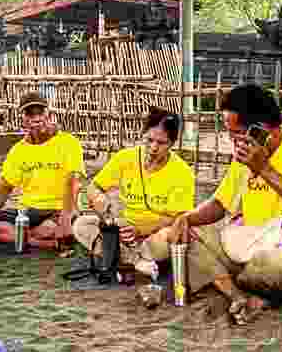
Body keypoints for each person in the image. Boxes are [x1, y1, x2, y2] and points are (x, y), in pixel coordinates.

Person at [157, 84, 282, 324]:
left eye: (236, 132)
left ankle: (234, 282)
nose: (232, 140)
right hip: (252, 246)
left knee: (265, 264)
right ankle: (239, 295)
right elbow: (219, 204)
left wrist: (265, 169)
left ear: (262, 128)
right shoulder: (244, 154)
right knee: (190, 233)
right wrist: (186, 218)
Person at [73, 107, 195, 277]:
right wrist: (98, 197)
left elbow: (177, 218)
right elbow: (94, 186)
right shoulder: (125, 158)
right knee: (82, 224)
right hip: (125, 227)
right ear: (142, 134)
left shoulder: (182, 173)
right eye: (149, 140)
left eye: (161, 143)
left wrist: (140, 231)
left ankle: (116, 256)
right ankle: (135, 260)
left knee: (169, 238)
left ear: (172, 143)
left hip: (156, 233)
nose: (153, 148)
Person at [0, 92, 85, 250]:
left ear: (48, 114)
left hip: (57, 209)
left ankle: (25, 237)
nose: (36, 118)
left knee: (48, 230)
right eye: (29, 113)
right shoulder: (18, 151)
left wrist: (66, 218)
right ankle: (38, 242)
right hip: (26, 211)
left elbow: (73, 183)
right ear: (23, 118)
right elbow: (3, 189)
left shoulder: (68, 142)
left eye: (40, 112)